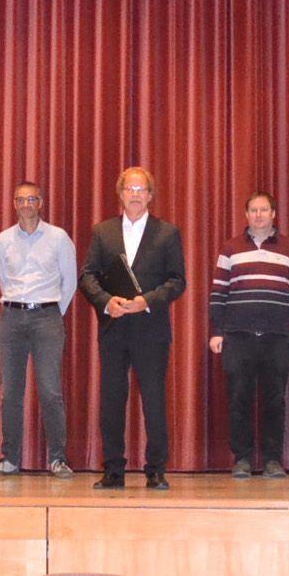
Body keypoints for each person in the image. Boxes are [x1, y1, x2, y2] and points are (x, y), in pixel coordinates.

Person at [79, 166, 186, 490]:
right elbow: (87, 276)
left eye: (141, 190)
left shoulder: (167, 232)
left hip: (151, 328)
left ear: (150, 195)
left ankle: (156, 469)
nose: (136, 195)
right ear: (121, 194)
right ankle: (113, 469)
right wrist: (106, 301)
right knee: (112, 399)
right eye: (130, 189)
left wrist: (147, 300)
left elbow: (178, 280)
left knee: (153, 399)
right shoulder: (103, 232)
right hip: (114, 326)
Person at [208, 191, 289, 479]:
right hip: (237, 335)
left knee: (274, 399)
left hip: (278, 336)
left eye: (264, 210)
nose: (259, 215)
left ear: (273, 214)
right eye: (253, 210)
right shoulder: (230, 249)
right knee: (239, 398)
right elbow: (218, 293)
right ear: (246, 214)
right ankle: (241, 458)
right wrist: (216, 332)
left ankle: (272, 460)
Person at [0, 181, 78, 479]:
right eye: (21, 199)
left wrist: (50, 313)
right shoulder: (3, 240)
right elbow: (2, 278)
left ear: (41, 202)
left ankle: (57, 459)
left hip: (46, 317)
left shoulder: (58, 237)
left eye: (31, 199)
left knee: (50, 390)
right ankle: (10, 459)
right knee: (10, 392)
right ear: (14, 204)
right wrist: (19, 307)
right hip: (11, 317)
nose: (26, 204)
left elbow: (70, 281)